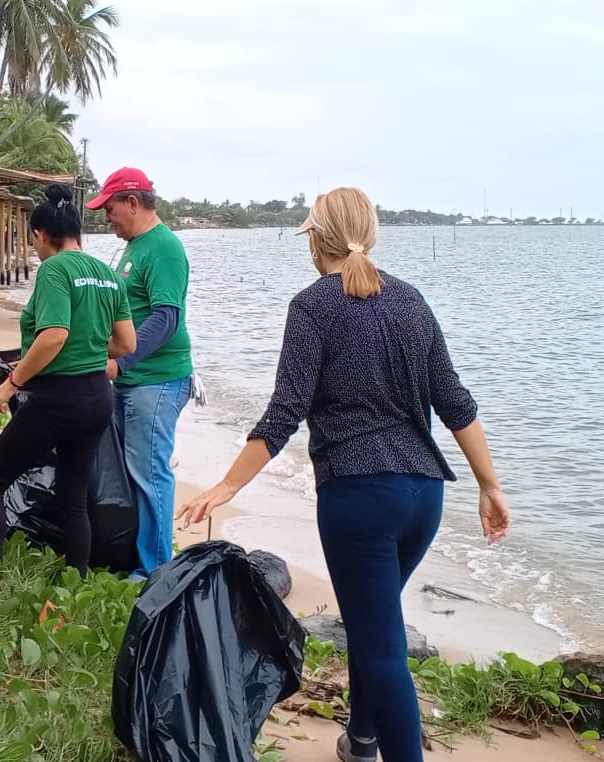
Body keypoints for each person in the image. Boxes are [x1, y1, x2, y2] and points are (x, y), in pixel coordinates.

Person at [176, 187, 511, 762]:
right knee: (369, 616)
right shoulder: (411, 301)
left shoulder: (311, 307)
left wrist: (228, 486)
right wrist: (490, 484)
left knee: (382, 647)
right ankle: (361, 740)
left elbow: (284, 413)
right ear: (371, 233)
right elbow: (455, 401)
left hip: (360, 498)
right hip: (423, 495)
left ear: (314, 238)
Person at [0, 184, 136, 581]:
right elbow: (126, 343)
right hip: (98, 397)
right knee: (73, 496)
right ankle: (74, 586)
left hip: (58, 399)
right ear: (78, 232)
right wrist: (90, 350)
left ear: (40, 235)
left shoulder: (54, 269)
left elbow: (54, 336)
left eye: (35, 242)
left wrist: (12, 382)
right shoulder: (107, 275)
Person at [85, 167, 194, 580]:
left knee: (149, 473)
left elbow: (166, 318)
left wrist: (121, 362)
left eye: (110, 208)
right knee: (124, 470)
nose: (106, 217)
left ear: (132, 203)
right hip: (129, 379)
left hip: (158, 379)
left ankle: (154, 570)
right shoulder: (135, 246)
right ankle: (131, 553)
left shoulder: (163, 248)